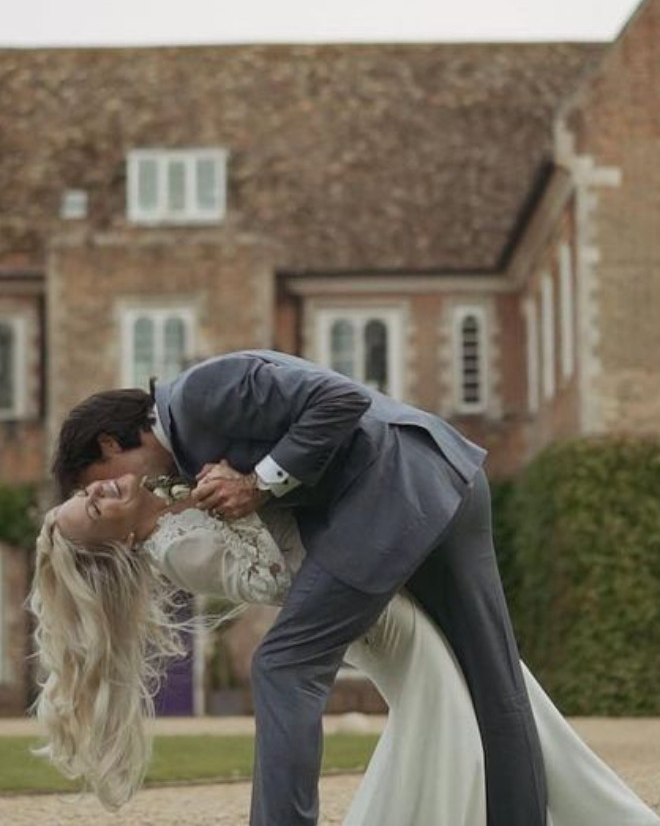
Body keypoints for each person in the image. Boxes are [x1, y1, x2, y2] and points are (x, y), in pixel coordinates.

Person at [52, 349, 546, 826]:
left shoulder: (197, 394)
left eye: (93, 482)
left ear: (109, 445)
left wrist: (258, 484)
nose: (107, 489)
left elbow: (341, 400)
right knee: (495, 685)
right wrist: (247, 482)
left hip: (393, 496)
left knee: (282, 665)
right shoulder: (188, 441)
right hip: (448, 478)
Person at [30, 471, 660, 825]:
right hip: (372, 616)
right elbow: (269, 577)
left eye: (88, 490)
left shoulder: (169, 511)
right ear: (110, 546)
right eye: (91, 506)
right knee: (455, 704)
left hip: (373, 601)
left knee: (500, 690)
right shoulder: (175, 549)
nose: (100, 490)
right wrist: (248, 499)